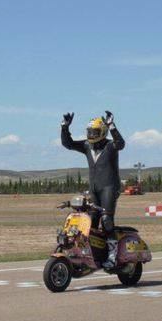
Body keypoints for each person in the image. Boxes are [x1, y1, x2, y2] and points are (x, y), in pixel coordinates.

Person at [61, 110, 125, 268]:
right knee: (91, 222)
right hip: (94, 189)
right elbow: (68, 144)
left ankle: (112, 255)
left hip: (109, 188)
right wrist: (64, 127)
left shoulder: (111, 146)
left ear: (102, 132)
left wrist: (112, 126)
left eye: (94, 132)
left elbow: (121, 144)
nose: (91, 134)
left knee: (107, 220)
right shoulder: (87, 146)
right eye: (89, 132)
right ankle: (94, 254)